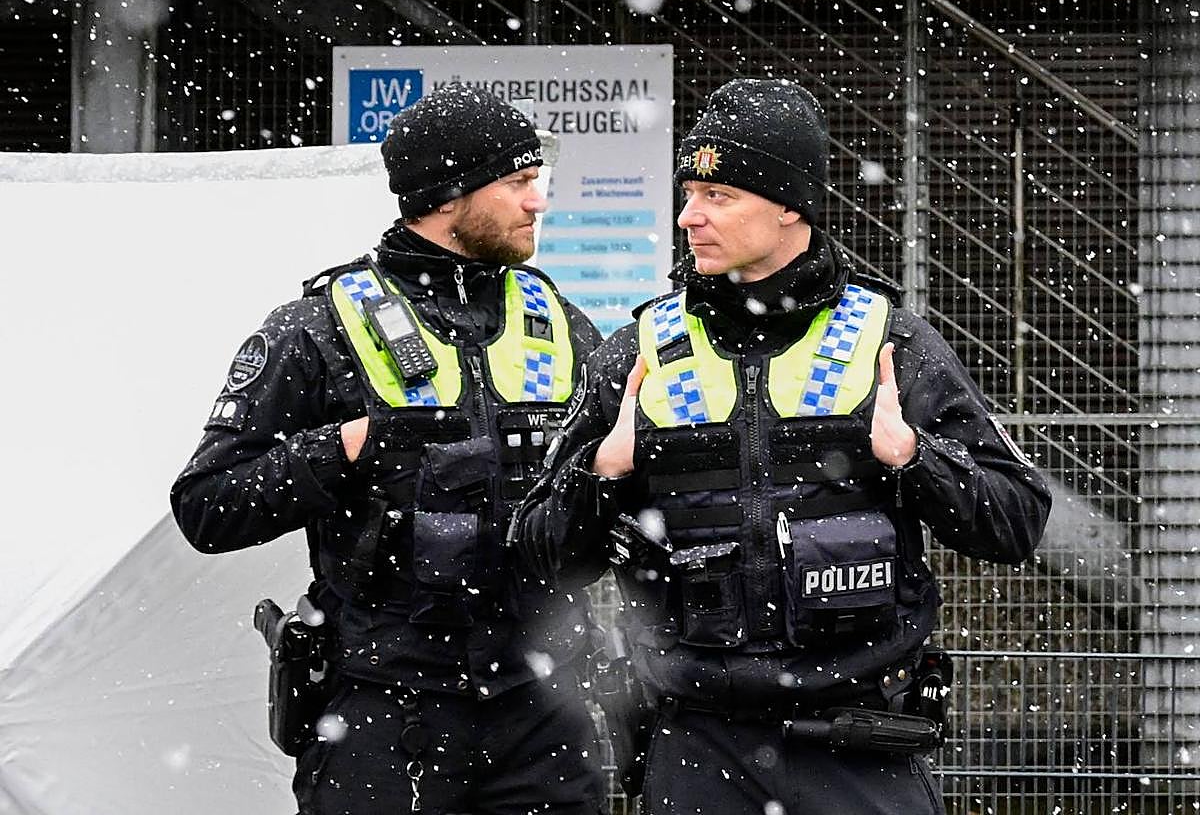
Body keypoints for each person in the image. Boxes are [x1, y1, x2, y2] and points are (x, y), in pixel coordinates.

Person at [513, 78, 1052, 814]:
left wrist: (912, 458)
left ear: (791, 205)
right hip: (698, 746)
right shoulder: (637, 354)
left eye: (718, 196)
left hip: (862, 746)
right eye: (688, 192)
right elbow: (538, 554)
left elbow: (1017, 519)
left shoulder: (888, 343)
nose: (688, 216)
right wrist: (602, 475)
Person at [172, 84, 608, 815]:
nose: (538, 202)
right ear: (446, 196)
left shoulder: (560, 321)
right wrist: (343, 447)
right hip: (384, 712)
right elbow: (207, 508)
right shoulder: (316, 328)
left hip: (544, 715)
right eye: (518, 183)